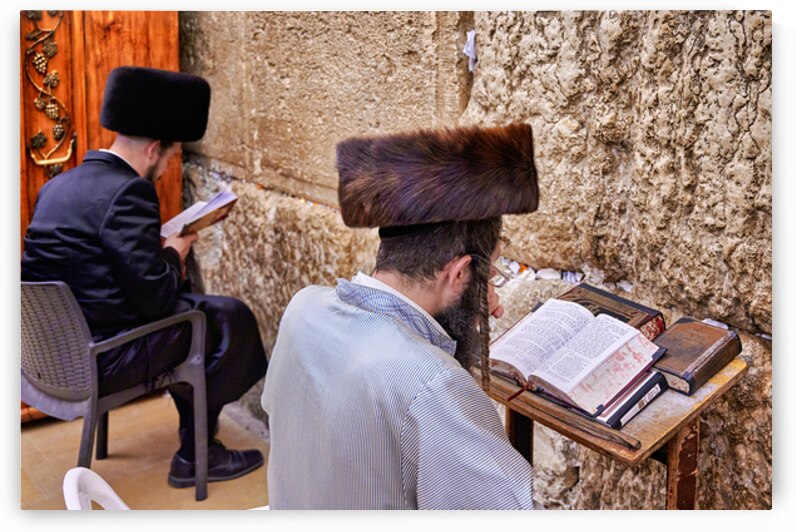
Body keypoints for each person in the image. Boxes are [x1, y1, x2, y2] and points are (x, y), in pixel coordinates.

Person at [261, 122, 541, 509]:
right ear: (458, 272)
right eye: (489, 275)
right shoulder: (431, 383)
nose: (493, 299)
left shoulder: (302, 308)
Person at [21, 66, 268, 488]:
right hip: (102, 358)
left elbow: (90, 263)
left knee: (203, 317)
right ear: (155, 149)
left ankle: (196, 442)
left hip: (48, 361)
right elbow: (154, 300)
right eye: (172, 156)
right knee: (228, 319)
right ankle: (196, 455)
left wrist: (155, 246)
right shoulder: (130, 191)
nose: (170, 165)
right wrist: (173, 252)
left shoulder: (60, 185)